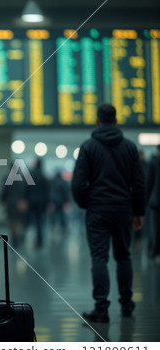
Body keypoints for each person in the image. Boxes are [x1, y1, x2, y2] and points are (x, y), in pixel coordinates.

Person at [72, 103, 145, 323]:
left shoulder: (88, 147)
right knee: (124, 256)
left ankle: (101, 308)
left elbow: (77, 184)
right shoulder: (130, 148)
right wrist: (138, 212)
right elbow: (139, 184)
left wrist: (86, 202)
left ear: (97, 121)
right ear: (115, 121)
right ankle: (126, 304)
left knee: (99, 258)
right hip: (123, 209)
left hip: (97, 210)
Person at [23, 158, 49, 248]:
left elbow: (26, 188)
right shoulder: (43, 175)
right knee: (39, 222)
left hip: (30, 201)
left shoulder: (31, 174)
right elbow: (46, 191)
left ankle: (23, 238)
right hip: (40, 202)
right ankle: (39, 241)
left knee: (27, 221)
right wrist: (47, 203)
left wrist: (25, 199)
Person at [0, 170, 26, 248]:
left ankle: (14, 238)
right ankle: (20, 235)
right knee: (20, 220)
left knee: (12, 221)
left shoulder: (7, 178)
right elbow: (25, 190)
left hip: (10, 203)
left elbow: (4, 190)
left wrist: (1, 200)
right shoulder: (23, 178)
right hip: (20, 203)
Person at [145, 145, 160, 262]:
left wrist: (145, 201)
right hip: (155, 201)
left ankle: (155, 251)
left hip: (155, 202)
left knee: (155, 228)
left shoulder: (154, 163)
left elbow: (148, 183)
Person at [50, 171, 70, 236]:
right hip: (61, 201)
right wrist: (67, 201)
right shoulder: (63, 182)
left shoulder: (53, 182)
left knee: (54, 214)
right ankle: (63, 227)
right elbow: (66, 192)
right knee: (61, 214)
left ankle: (53, 226)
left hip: (54, 201)